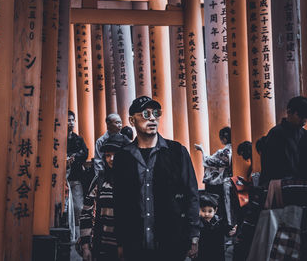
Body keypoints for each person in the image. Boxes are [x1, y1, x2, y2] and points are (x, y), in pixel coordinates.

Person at [112, 96, 200, 261]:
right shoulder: (123, 158)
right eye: (145, 114)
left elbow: (191, 194)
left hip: (172, 241)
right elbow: (119, 202)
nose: (152, 118)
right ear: (132, 120)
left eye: (156, 113)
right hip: (135, 243)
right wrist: (121, 243)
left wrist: (194, 236)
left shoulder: (177, 152)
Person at [79, 134, 130, 261]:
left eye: (115, 154)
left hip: (129, 247)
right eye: (107, 155)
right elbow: (86, 212)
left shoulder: (134, 180)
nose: (111, 159)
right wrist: (85, 246)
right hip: (101, 246)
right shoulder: (100, 180)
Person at [259, 96, 307, 186]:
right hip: (279, 184)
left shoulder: (304, 133)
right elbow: (271, 165)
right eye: (300, 116)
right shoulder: (276, 133)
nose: (304, 120)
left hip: (296, 183)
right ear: (289, 112)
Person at [195, 194, 237, 261]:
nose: (206, 214)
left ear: (215, 210)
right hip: (202, 254)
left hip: (217, 253)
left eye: (210, 211)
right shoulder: (197, 223)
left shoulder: (219, 221)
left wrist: (231, 231)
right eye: (203, 210)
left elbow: (225, 229)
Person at [67, 111, 88, 236]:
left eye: (72, 120)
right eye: (68, 120)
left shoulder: (78, 139)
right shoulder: (57, 138)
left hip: (75, 176)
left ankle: (77, 234)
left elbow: (84, 153)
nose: (70, 123)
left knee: (78, 207)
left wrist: (74, 157)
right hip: (61, 178)